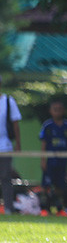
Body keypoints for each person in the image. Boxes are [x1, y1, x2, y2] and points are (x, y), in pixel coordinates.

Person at [39, 100, 67, 215]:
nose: (57, 112)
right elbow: (43, 144)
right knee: (46, 184)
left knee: (60, 184)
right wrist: (43, 160)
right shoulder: (47, 126)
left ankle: (58, 206)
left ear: (63, 111)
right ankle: (45, 206)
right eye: (55, 109)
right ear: (50, 111)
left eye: (60, 109)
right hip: (50, 161)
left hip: (62, 161)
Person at [0, 79, 23, 215]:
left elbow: (15, 124)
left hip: (5, 146)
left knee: (5, 177)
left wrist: (18, 143)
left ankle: (8, 208)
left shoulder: (8, 101)